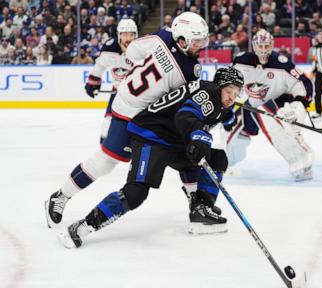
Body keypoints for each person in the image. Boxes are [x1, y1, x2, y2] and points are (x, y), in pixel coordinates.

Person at [45, 12, 209, 228]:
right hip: (130, 112)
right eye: (197, 41)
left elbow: (133, 50)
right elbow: (177, 102)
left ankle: (195, 203)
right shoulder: (189, 70)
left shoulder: (163, 36)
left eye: (203, 40)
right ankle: (60, 196)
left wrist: (133, 69)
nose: (202, 46)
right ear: (182, 39)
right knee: (106, 161)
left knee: (184, 152)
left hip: (141, 111)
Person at [57, 67, 244, 248]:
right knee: (135, 192)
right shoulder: (209, 92)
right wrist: (198, 133)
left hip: (173, 141)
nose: (231, 97)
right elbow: (186, 115)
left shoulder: (217, 100)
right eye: (228, 91)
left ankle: (201, 209)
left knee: (217, 158)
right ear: (218, 86)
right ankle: (82, 226)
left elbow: (211, 114)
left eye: (236, 94)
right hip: (152, 135)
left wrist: (225, 117)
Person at [224, 29, 314, 181]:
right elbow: (231, 86)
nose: (263, 50)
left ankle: (303, 163)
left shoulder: (281, 63)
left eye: (267, 46)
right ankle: (225, 161)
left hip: (278, 103)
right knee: (233, 131)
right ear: (253, 46)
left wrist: (299, 105)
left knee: (281, 130)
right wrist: (226, 110)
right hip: (251, 105)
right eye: (260, 46)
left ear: (272, 45)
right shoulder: (240, 61)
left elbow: (304, 83)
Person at [84, 18, 138, 141]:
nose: (128, 38)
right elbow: (99, 67)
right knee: (106, 131)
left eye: (131, 35)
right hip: (118, 93)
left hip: (138, 96)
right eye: (125, 35)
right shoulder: (110, 48)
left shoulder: (143, 50)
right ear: (119, 35)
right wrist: (93, 83)